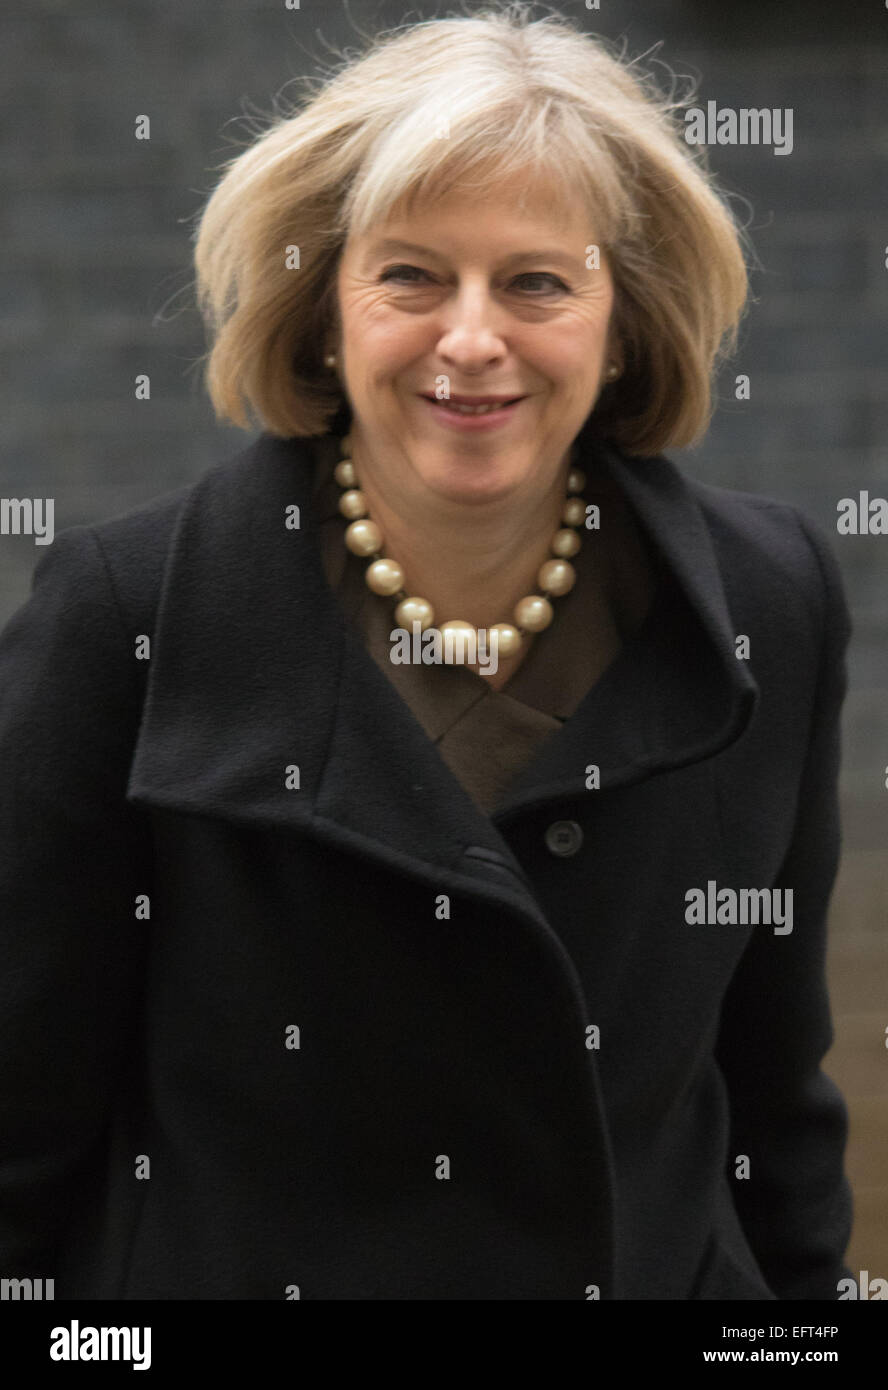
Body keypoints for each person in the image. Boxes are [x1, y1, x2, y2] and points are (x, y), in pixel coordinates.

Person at [0, 4, 854, 1299]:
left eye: (537, 282)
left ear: (622, 320)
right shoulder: (121, 616)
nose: (470, 339)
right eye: (409, 275)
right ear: (323, 310)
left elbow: (776, 1107)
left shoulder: (768, 600)